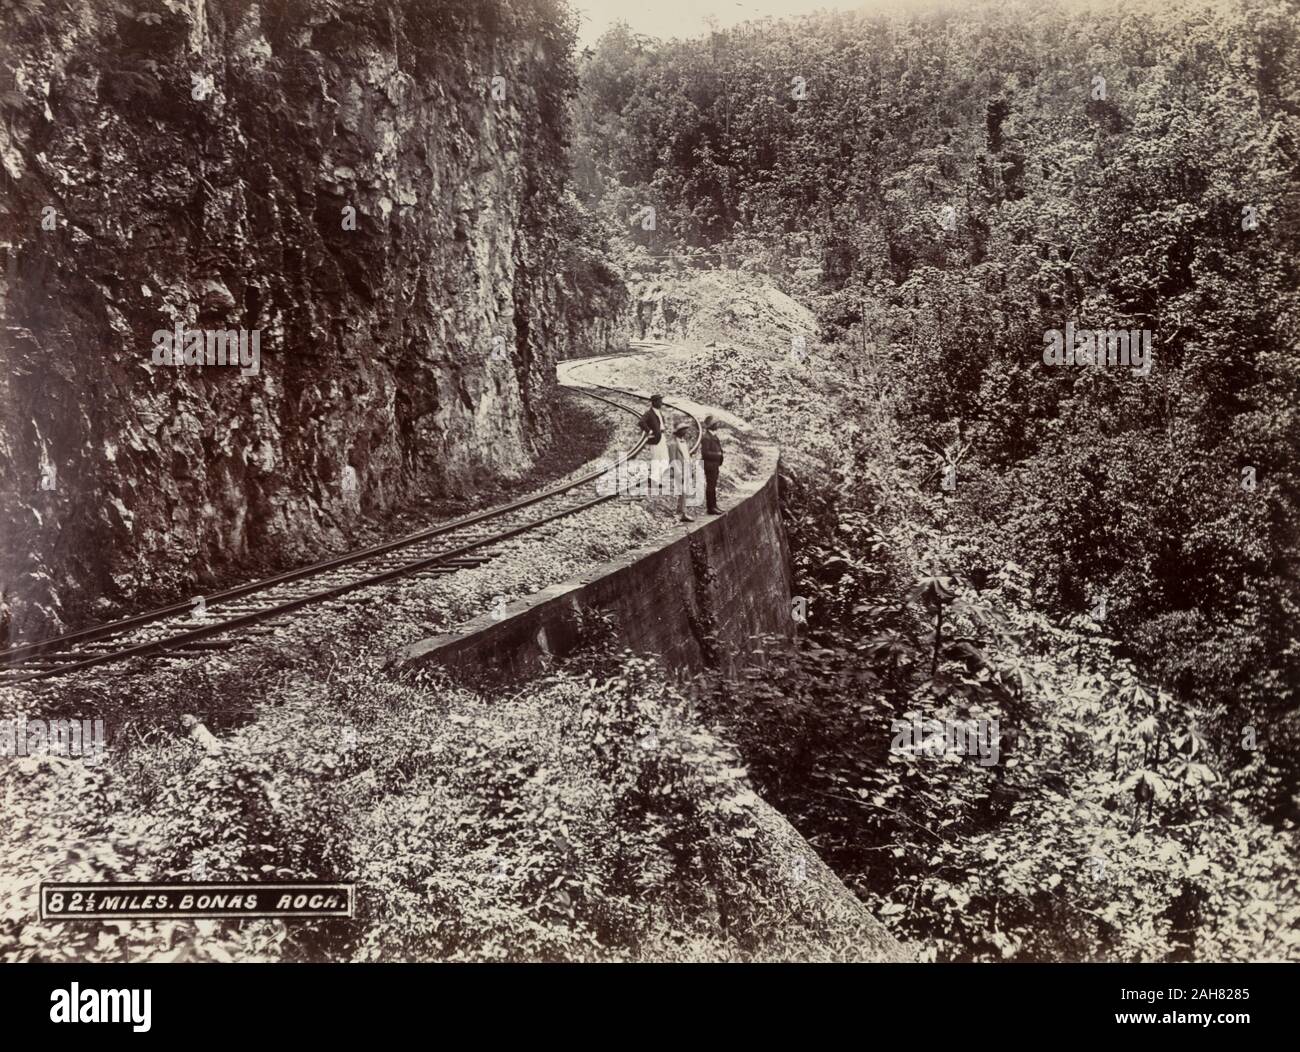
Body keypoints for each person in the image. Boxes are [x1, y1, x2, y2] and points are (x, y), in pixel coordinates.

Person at [639, 394, 669, 484]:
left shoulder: (658, 412)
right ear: (654, 402)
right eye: (660, 401)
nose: (661, 403)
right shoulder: (649, 413)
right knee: (656, 458)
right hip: (655, 438)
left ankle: (656, 478)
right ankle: (656, 480)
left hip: (661, 437)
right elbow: (641, 422)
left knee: (665, 458)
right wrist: (649, 431)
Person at [668, 424, 695, 523]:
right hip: (680, 470)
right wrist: (679, 473)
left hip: (686, 468)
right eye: (683, 430)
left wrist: (690, 470)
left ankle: (682, 512)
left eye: (686, 430)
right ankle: (680, 513)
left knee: (685, 492)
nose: (685, 432)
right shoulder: (673, 444)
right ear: (678, 431)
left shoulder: (684, 442)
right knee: (681, 491)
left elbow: (687, 457)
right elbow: (673, 460)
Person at [700, 415, 724, 514]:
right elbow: (705, 453)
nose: (718, 425)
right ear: (712, 425)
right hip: (710, 465)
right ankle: (711, 507)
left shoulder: (713, 436)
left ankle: (714, 505)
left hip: (715, 465)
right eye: (716, 423)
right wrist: (717, 455)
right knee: (710, 486)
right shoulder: (706, 438)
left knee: (713, 485)